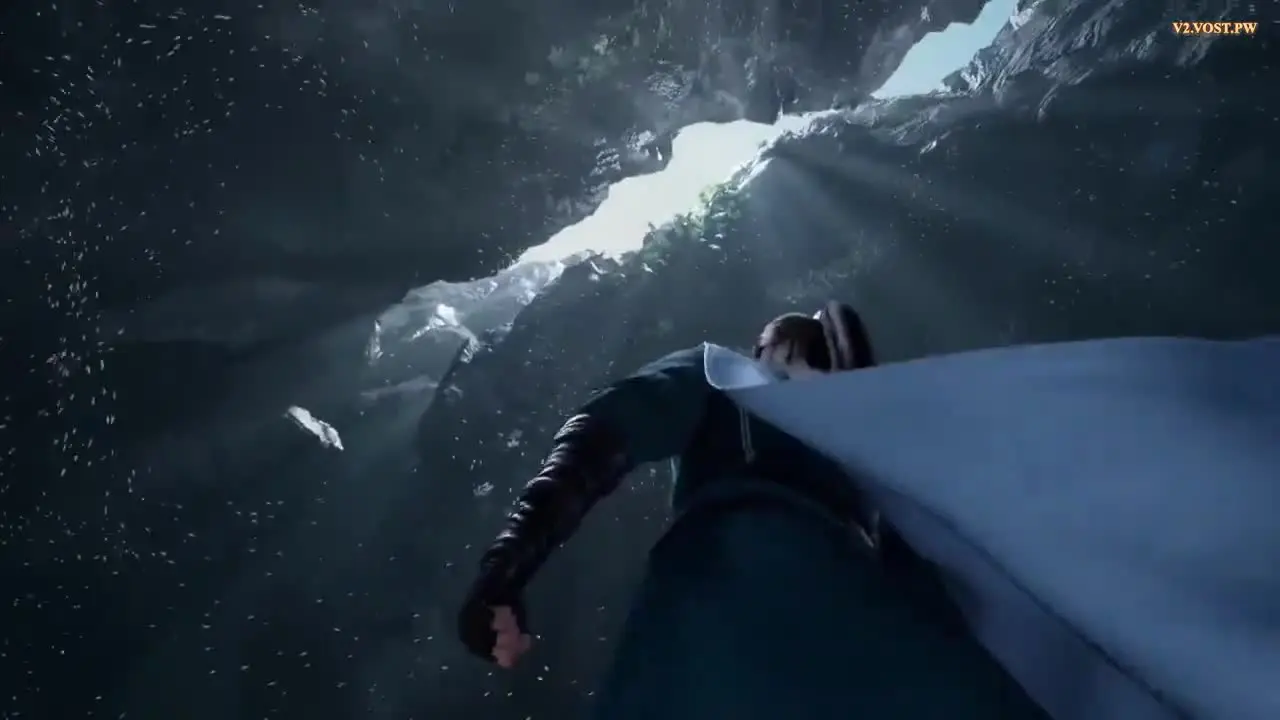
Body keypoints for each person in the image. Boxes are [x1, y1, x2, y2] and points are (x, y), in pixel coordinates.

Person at [457, 301, 1050, 720]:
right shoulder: (724, 379)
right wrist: (510, 558)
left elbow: (924, 550)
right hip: (736, 589)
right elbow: (603, 439)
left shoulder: (862, 448)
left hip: (822, 599)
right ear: (760, 350)